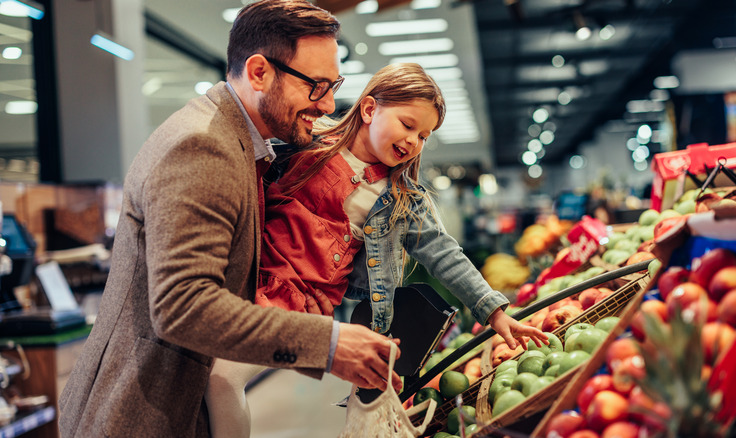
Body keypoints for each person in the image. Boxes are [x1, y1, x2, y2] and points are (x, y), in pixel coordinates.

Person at [58, 2, 402, 437]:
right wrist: (328, 345)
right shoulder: (204, 147)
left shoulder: (243, 144)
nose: (329, 104)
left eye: (334, 86)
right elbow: (183, 306)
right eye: (316, 87)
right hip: (141, 415)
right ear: (259, 72)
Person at [206, 63, 549, 438]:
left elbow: (443, 253)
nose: (413, 141)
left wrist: (494, 310)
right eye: (407, 125)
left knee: (223, 378)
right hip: (241, 275)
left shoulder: (402, 199)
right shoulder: (307, 144)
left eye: (424, 135)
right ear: (369, 110)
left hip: (296, 304)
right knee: (198, 373)